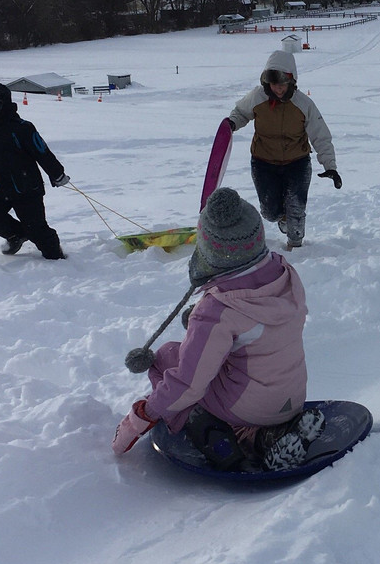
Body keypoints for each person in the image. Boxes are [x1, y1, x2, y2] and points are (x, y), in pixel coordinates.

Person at [112, 187, 324, 471]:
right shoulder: (284, 273)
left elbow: (187, 382)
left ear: (210, 249)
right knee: (217, 363)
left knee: (167, 359)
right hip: (292, 395)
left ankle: (248, 438)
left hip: (248, 407)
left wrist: (140, 417)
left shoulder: (217, 311)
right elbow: (256, 327)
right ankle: (277, 430)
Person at [226, 50, 340, 249]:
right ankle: (283, 218)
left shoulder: (304, 104)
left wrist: (330, 165)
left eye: (282, 84)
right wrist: (231, 124)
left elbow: (320, 135)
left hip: (297, 162)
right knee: (269, 212)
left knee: (296, 207)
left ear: (291, 81)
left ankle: (296, 248)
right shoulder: (257, 97)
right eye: (274, 84)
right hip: (263, 162)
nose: (278, 89)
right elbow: (240, 113)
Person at [0, 82, 70, 259]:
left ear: (1, 105)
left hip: (26, 188)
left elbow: (42, 152)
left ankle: (57, 259)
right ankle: (17, 235)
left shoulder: (21, 128)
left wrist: (57, 174)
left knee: (37, 229)